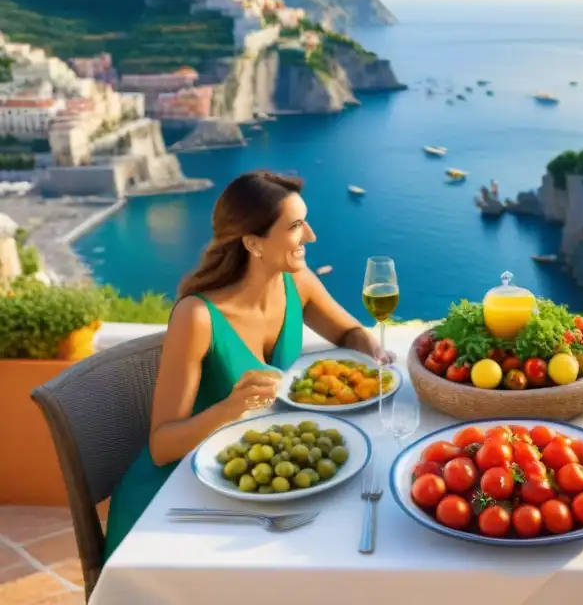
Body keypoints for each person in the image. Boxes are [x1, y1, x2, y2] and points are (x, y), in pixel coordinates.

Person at [104, 170, 394, 561]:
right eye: (295, 226)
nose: (310, 236)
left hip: (252, 478)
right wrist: (231, 409)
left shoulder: (298, 282)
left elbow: (348, 333)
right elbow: (161, 447)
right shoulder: (198, 317)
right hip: (177, 500)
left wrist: (372, 351)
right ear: (253, 243)